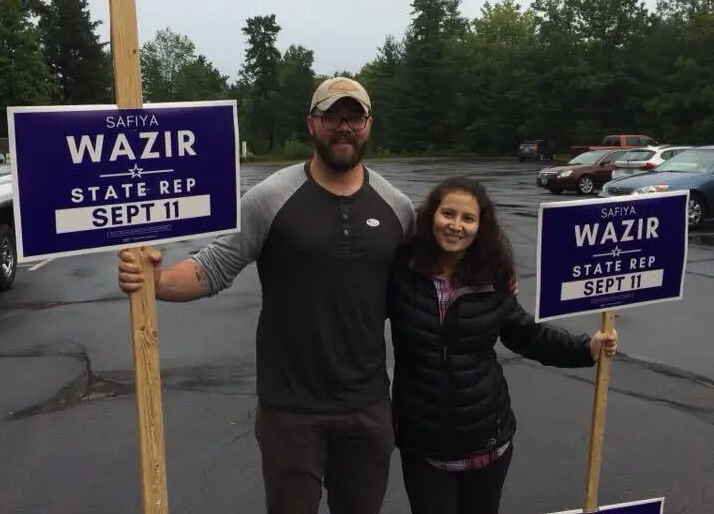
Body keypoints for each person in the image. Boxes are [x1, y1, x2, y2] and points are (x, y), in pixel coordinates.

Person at [116, 76, 415, 514]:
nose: (343, 126)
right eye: (332, 115)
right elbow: (212, 267)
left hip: (368, 406)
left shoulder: (396, 207)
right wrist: (154, 283)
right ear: (312, 124)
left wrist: (493, 275)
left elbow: (429, 282)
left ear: (369, 124)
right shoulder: (269, 199)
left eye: (354, 116)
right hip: (291, 410)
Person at [387, 176, 618, 514]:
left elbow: (526, 335)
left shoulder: (492, 278)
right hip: (424, 446)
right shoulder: (402, 272)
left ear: (481, 227)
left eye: (468, 219)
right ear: (430, 216)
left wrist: (586, 348)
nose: (456, 226)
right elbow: (356, 316)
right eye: (447, 214)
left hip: (488, 443)